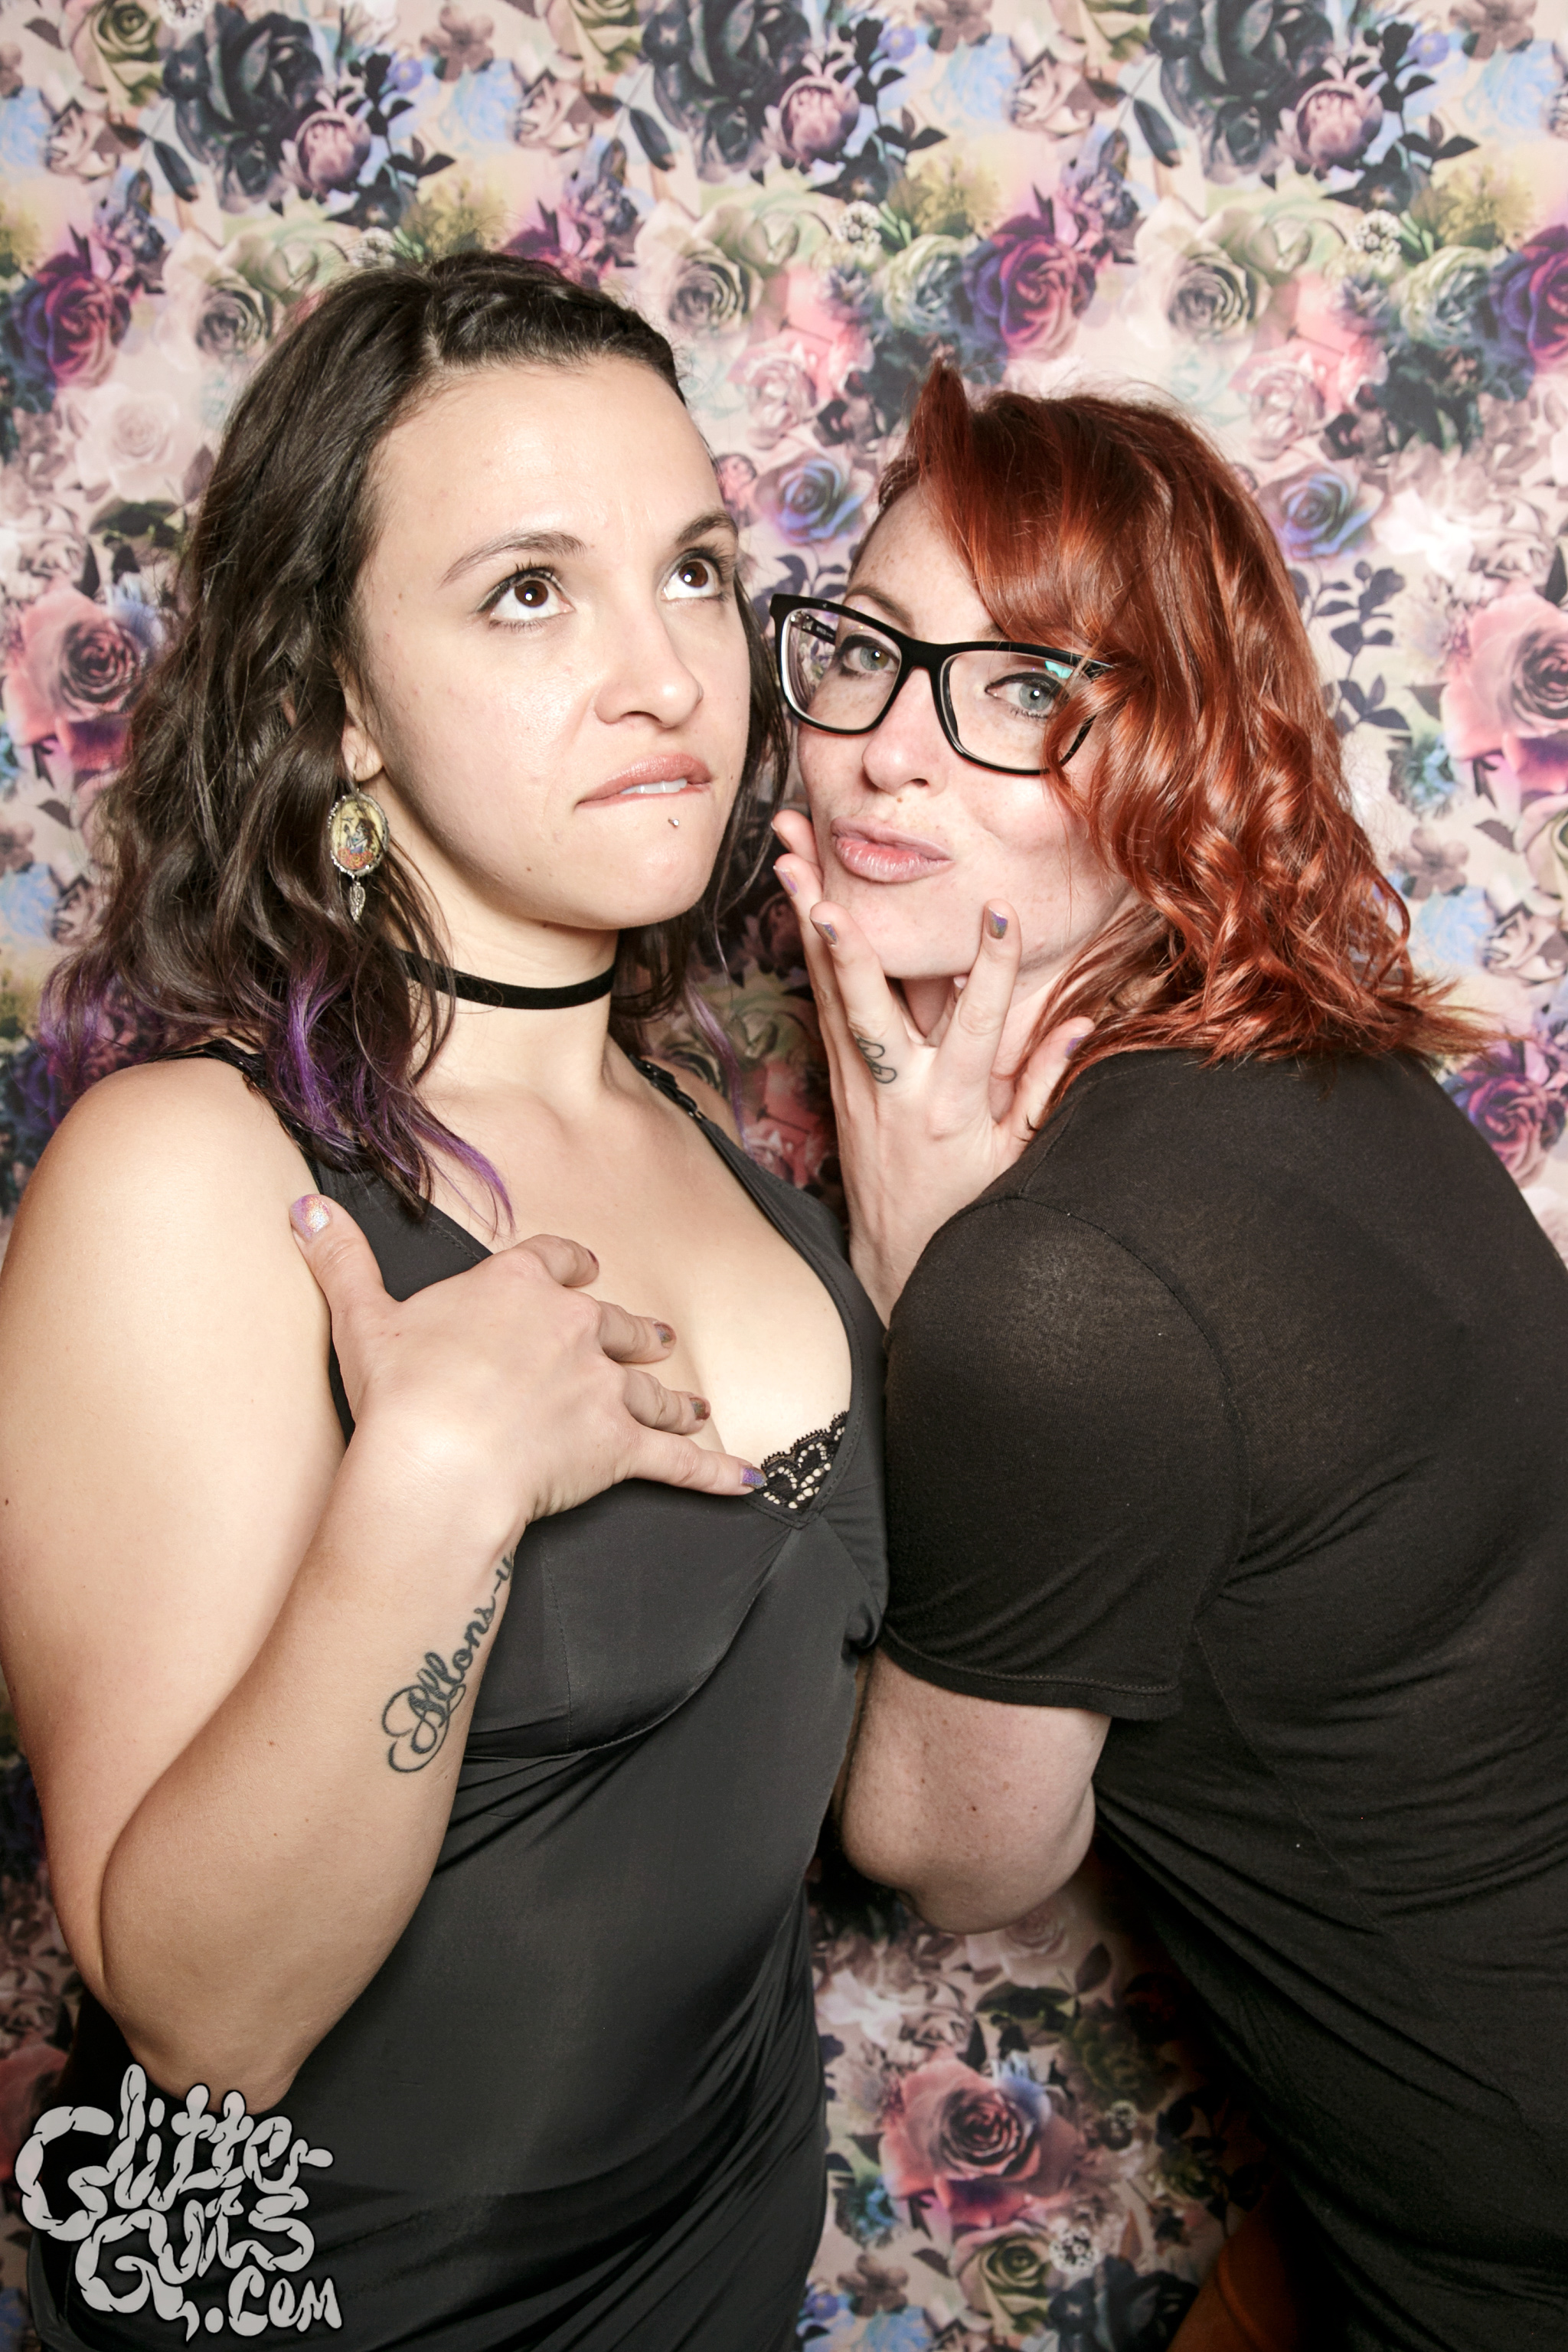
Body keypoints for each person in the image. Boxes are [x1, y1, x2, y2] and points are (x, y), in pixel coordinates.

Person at [0, 255, 886, 2352]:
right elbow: (207, 2020)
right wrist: (439, 1485)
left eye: (694, 573)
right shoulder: (191, 1174)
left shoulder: (736, 1163)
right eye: (529, 592)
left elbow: (885, 1818)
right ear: (334, 703)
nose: (667, 677)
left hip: (716, 2287)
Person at [771, 364, 1568, 2352]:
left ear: (1186, 757)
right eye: (862, 651)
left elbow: (944, 1855)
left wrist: (921, 1295)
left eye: (1022, 690)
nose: (883, 754)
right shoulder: (1311, 1055)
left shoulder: (1061, 1287)